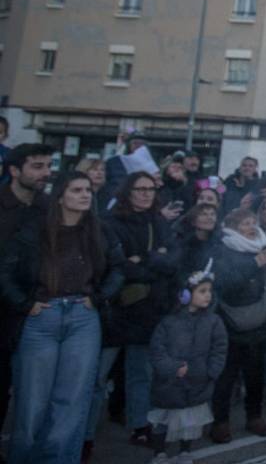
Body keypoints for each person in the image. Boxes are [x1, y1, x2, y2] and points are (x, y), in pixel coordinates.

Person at [0, 172, 123, 464]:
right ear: (60, 196)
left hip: (83, 317)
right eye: (77, 190)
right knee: (32, 402)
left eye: (88, 190)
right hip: (42, 317)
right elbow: (5, 272)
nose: (85, 195)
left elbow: (118, 269)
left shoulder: (100, 230)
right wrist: (24, 303)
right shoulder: (36, 229)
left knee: (72, 400)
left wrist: (99, 297)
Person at [88, 172, 182, 447]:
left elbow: (173, 261)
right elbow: (116, 266)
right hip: (116, 310)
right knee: (98, 377)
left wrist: (146, 259)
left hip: (148, 310)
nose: (145, 194)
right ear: (127, 192)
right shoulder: (109, 223)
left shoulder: (160, 223)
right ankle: (85, 435)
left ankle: (139, 425)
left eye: (150, 189)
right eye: (140, 189)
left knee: (141, 373)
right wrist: (156, 260)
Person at [209, 208, 266, 442]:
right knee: (226, 377)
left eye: (252, 222)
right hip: (231, 322)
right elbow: (225, 283)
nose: (250, 227)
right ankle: (220, 422)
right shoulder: (224, 248)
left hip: (259, 322)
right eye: (244, 223)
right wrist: (255, 264)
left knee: (255, 375)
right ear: (232, 227)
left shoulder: (263, 244)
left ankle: (254, 416)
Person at [147, 269, 227, 464]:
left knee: (190, 420)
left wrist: (211, 372)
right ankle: (159, 453)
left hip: (198, 380)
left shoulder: (214, 322)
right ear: (185, 295)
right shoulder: (169, 322)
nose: (208, 295)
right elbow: (157, 351)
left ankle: (185, 451)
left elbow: (220, 349)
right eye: (202, 291)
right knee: (162, 420)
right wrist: (171, 367)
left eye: (209, 290)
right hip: (169, 383)